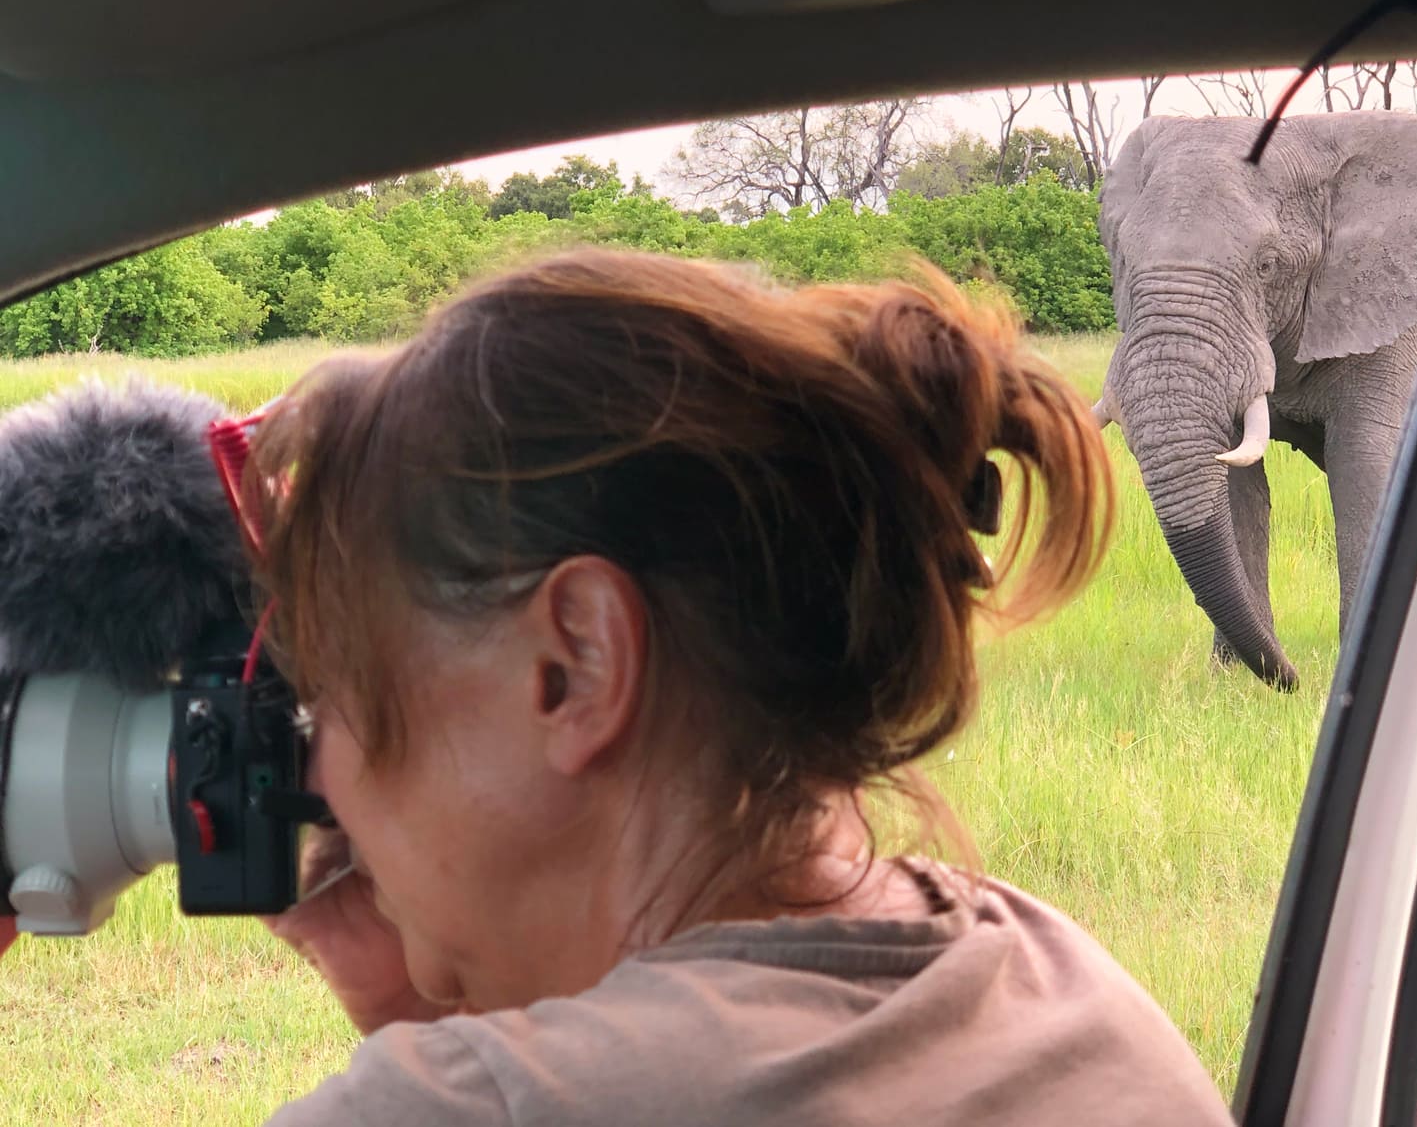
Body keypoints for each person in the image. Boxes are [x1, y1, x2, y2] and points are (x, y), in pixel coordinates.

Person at [3, 247, 1235, 1125]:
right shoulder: (1051, 973)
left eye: (339, 690)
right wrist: (427, 1008)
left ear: (575, 665)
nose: (313, 773)